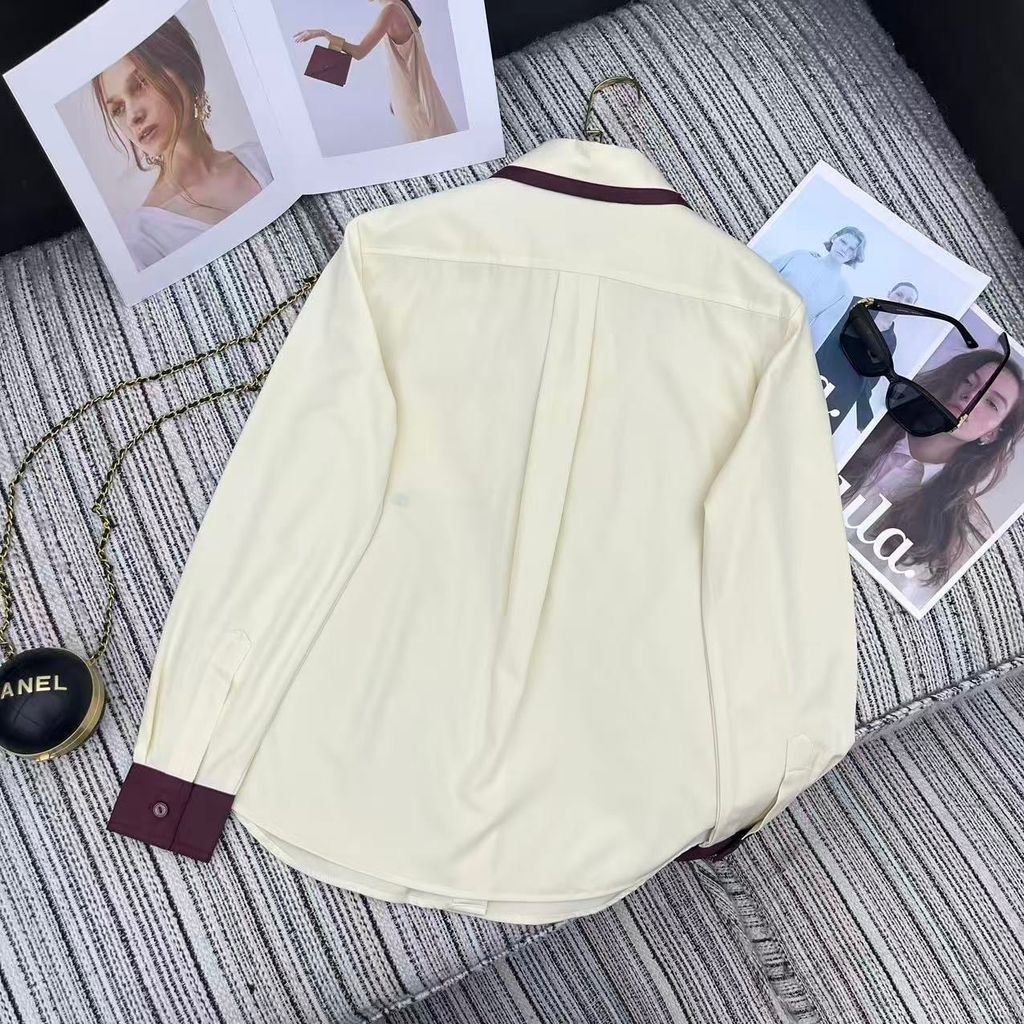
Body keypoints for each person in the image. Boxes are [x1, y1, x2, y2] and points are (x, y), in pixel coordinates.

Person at [92, 16, 272, 271]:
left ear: (184, 68)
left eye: (141, 83)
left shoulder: (263, 157)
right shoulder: (139, 240)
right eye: (118, 109)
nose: (132, 116)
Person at [841, 348, 1024, 591]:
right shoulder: (868, 417)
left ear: (992, 434)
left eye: (991, 403)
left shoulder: (956, 531)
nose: (971, 396)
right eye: (968, 381)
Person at [294, 0, 457, 143]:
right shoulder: (401, 7)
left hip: (415, 104)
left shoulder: (391, 10)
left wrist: (324, 34)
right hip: (425, 98)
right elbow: (407, 60)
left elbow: (359, 52)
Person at [816, 281, 919, 433]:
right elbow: (825, 329)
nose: (901, 301)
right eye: (899, 294)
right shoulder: (858, 305)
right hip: (817, 367)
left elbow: (870, 380)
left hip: (838, 394)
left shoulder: (891, 342)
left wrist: (864, 418)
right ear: (889, 293)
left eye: (908, 301)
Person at [771, 226, 867, 347]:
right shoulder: (800, 255)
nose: (844, 249)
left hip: (778, 338)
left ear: (854, 256)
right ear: (834, 238)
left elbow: (818, 334)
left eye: (851, 249)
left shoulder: (844, 292)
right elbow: (761, 275)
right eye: (843, 242)